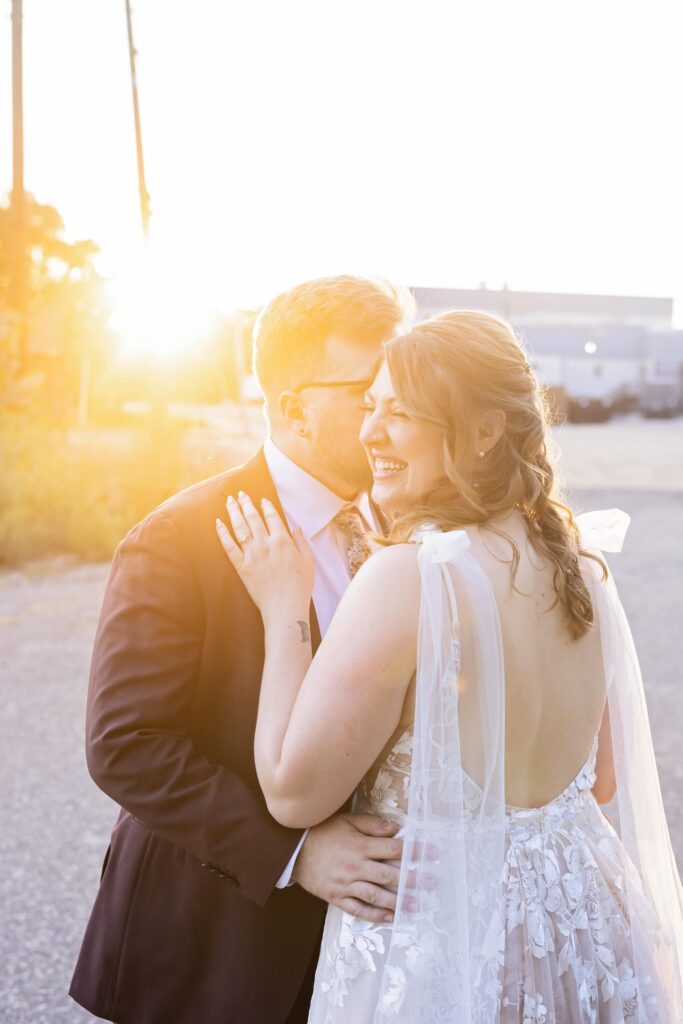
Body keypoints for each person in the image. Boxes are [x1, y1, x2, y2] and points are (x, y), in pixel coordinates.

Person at [217, 309, 683, 1022]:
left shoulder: (408, 578)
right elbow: (601, 779)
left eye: (399, 413)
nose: (371, 432)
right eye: (369, 407)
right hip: (579, 928)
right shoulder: (580, 566)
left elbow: (290, 792)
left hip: (442, 943)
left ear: (485, 430)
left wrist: (283, 607)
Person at [70, 275, 415, 1024]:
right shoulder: (178, 540)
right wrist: (296, 855)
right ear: (293, 405)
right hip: (218, 945)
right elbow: (126, 746)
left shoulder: (408, 526)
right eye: (369, 392)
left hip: (369, 950)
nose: (395, 413)